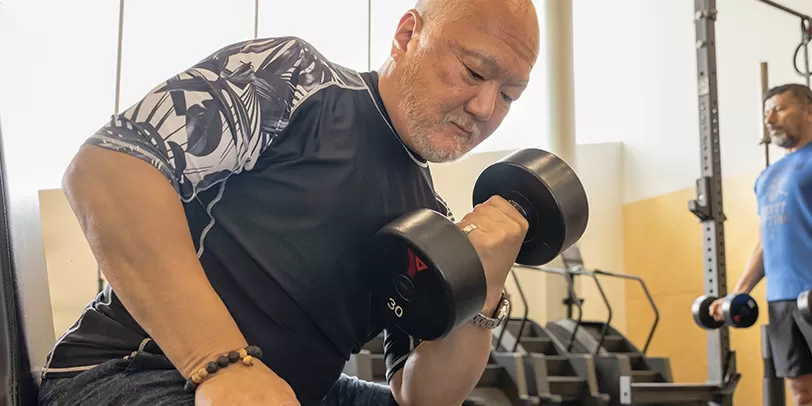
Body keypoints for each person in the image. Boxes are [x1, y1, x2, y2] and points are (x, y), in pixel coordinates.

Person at [36, 0, 541, 405]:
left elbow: (422, 395)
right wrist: (222, 362)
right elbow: (105, 172)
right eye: (474, 73)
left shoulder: (429, 220)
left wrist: (486, 288)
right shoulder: (297, 80)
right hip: (141, 369)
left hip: (293, 390)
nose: (484, 108)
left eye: (509, 96)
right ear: (408, 35)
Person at [710, 83, 812, 406]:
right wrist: (738, 293)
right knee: (801, 394)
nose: (770, 118)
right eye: (767, 112)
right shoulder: (767, 177)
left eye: (780, 108)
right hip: (781, 300)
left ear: (809, 112)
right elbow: (764, 245)